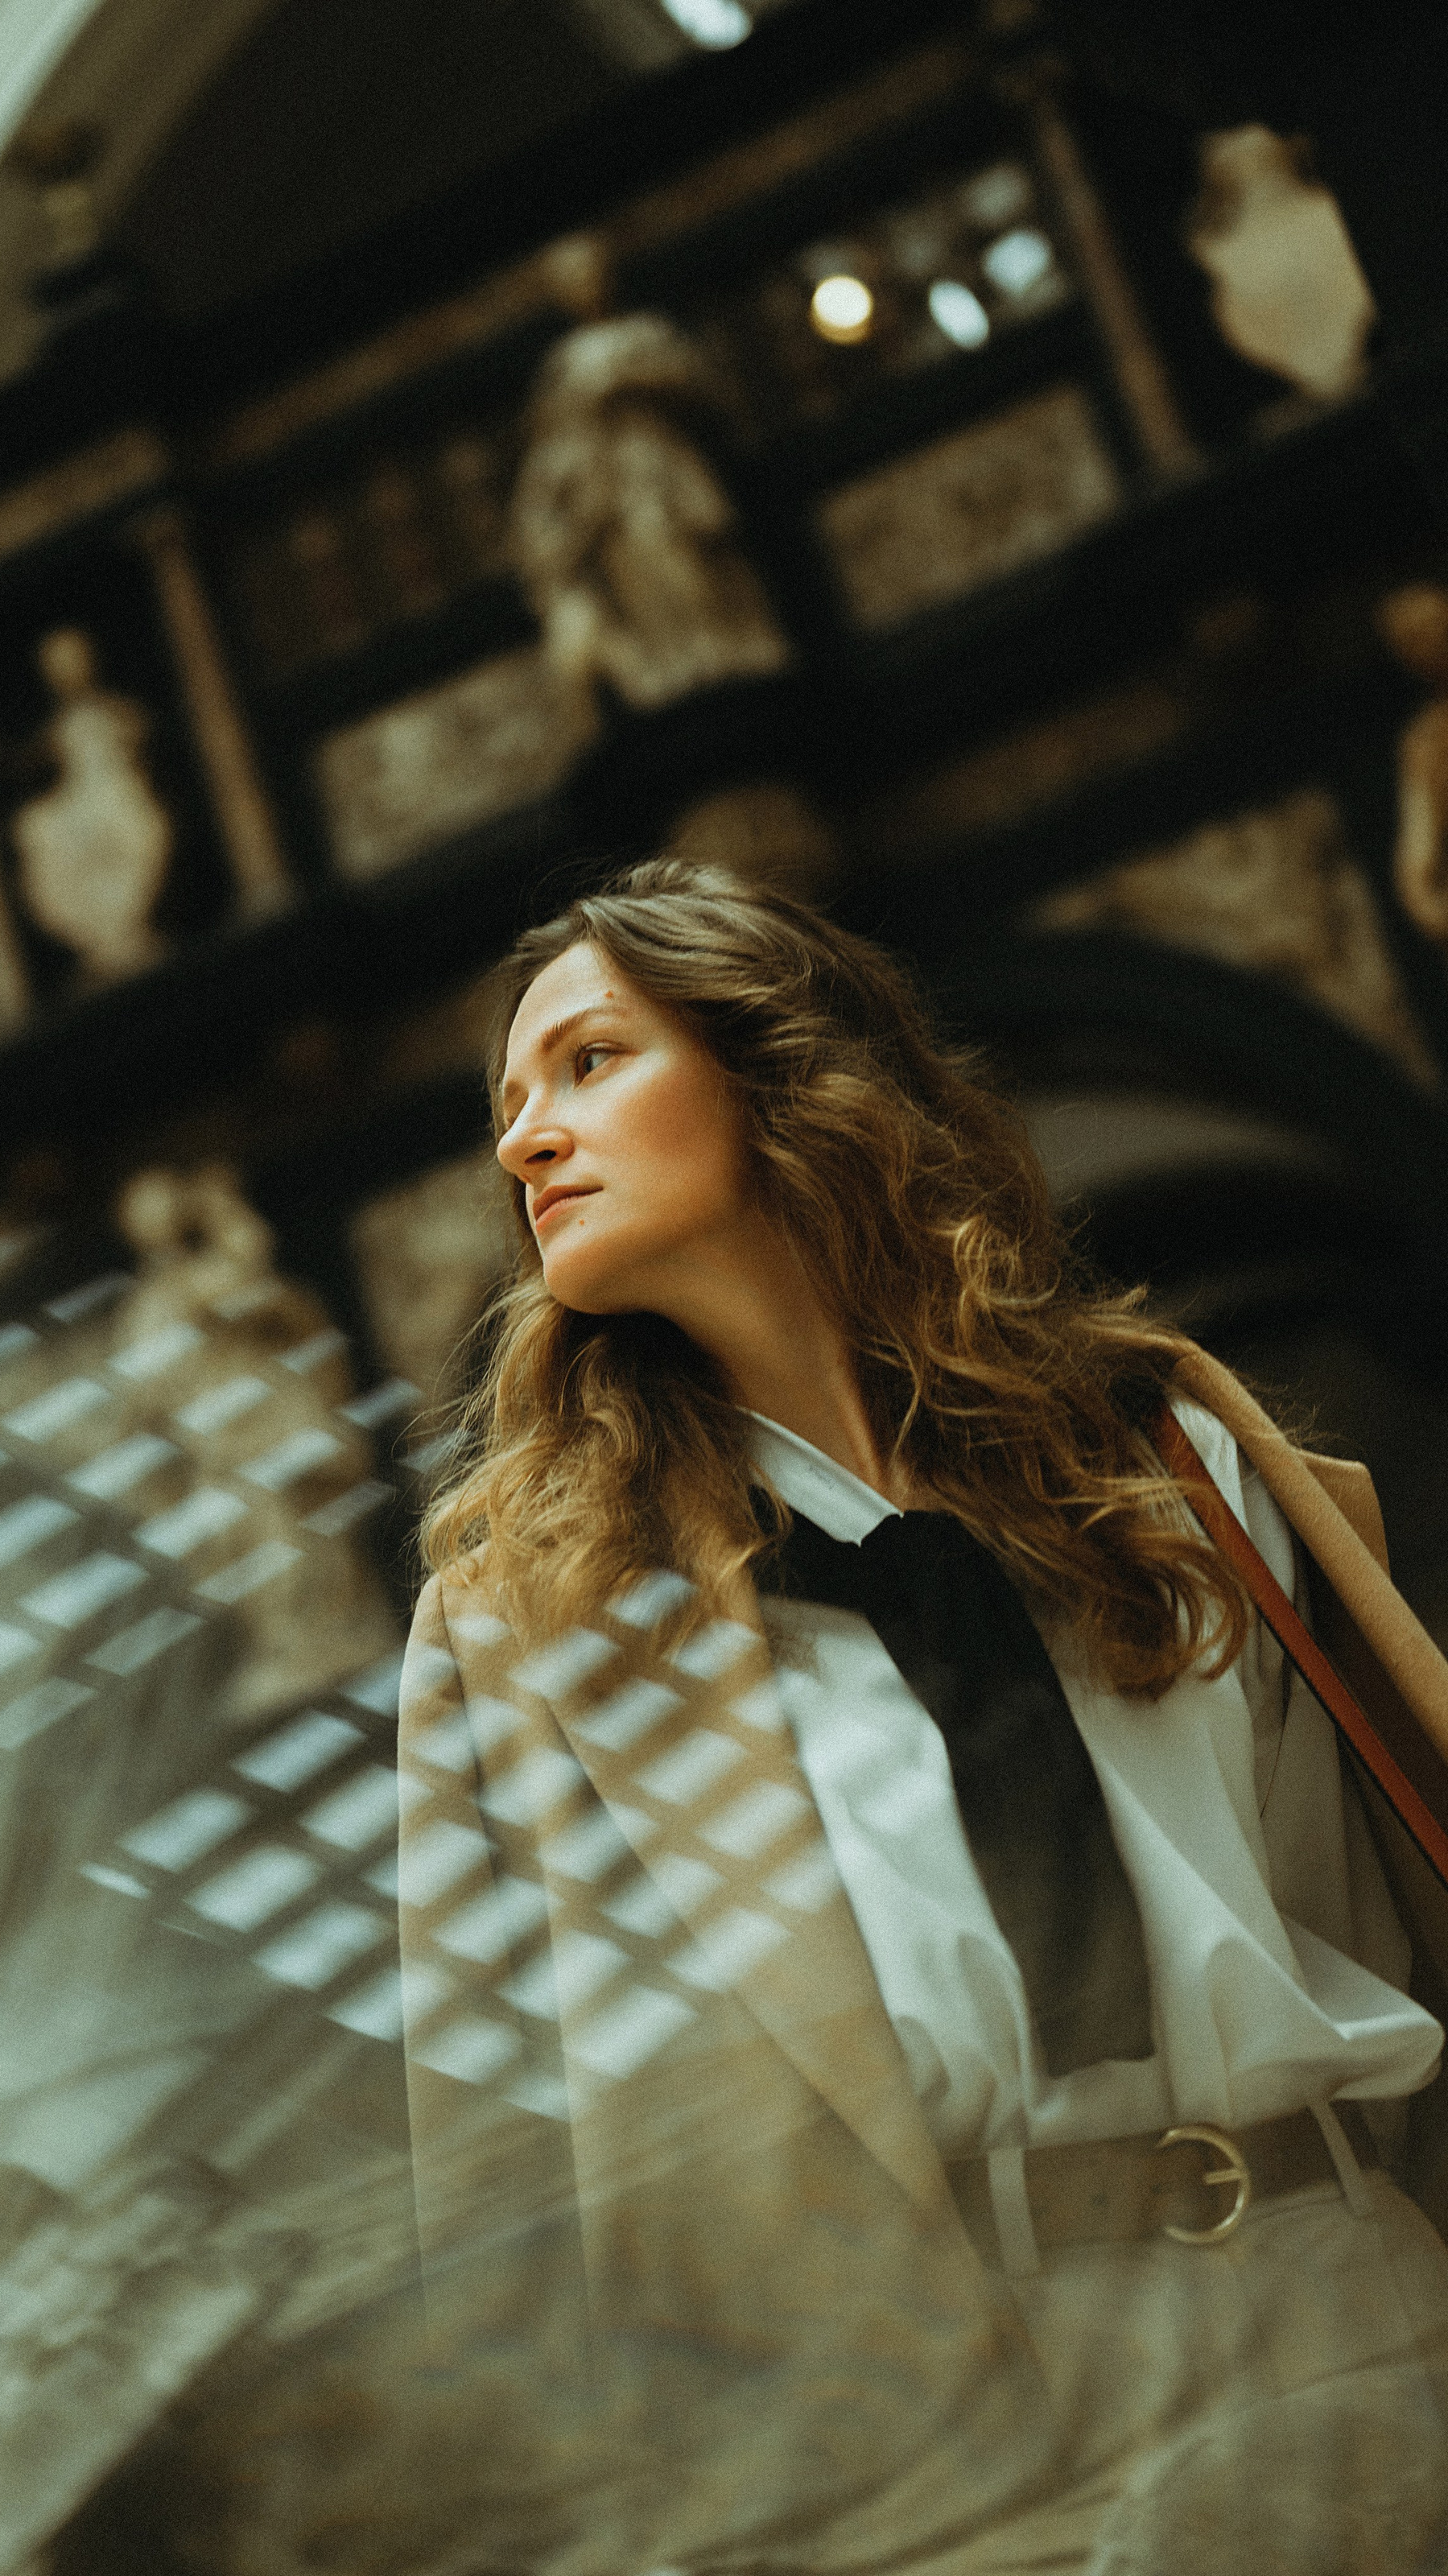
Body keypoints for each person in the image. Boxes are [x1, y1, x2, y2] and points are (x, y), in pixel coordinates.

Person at [392, 856, 1448, 2575]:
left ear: (780, 1069)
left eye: (586, 1062)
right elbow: (493, 2196)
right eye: (507, 1102)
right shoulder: (528, 1631)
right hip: (928, 2444)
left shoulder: (1168, 1461)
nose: (523, 1138)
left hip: (1347, 2323)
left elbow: (1361, 1914)